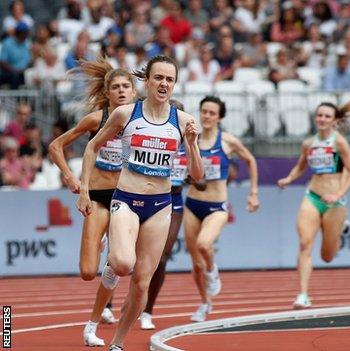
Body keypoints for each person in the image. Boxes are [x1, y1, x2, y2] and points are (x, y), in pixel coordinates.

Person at [77, 55, 203, 351]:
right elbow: (92, 146)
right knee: (122, 263)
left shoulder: (183, 121)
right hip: (126, 200)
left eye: (169, 79)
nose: (163, 84)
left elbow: (197, 176)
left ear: (174, 85)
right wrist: (84, 188)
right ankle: (112, 265)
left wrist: (194, 144)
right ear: (147, 81)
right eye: (158, 78)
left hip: (160, 205)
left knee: (142, 284)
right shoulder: (126, 114)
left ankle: (118, 343)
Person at [48, 57, 136, 346]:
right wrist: (72, 179)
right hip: (97, 197)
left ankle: (92, 324)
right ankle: (103, 244)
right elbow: (55, 145)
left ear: (134, 91)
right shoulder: (95, 120)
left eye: (126, 86)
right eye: (116, 87)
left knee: (117, 265)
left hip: (125, 198)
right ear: (107, 92)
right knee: (87, 272)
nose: (121, 91)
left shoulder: (140, 120)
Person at [184, 95, 260, 322]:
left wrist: (253, 192)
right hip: (192, 203)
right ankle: (204, 303)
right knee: (195, 262)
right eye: (204, 111)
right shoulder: (191, 138)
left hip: (217, 206)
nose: (207, 116)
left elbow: (251, 160)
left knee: (204, 245)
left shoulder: (227, 141)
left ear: (220, 117)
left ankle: (213, 270)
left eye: (212, 113)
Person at [277, 101, 350, 309]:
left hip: (335, 201)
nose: (322, 119)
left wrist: (339, 193)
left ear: (335, 121)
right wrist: (288, 178)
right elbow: (300, 167)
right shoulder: (308, 143)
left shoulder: (339, 142)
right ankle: (303, 295)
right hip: (312, 197)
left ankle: (341, 229)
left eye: (327, 116)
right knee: (305, 244)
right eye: (319, 115)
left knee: (327, 256)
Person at [139, 98, 186, 330]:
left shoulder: (189, 143)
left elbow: (202, 178)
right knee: (127, 258)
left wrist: (193, 177)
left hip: (173, 200)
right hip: (145, 196)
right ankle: (109, 303)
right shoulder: (154, 136)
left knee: (162, 257)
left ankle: (147, 311)